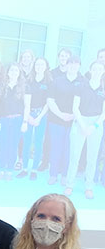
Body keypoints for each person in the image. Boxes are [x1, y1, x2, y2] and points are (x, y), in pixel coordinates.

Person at [46, 56, 82, 191]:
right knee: (56, 148)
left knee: (69, 150)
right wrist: (61, 115)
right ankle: (53, 174)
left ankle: (64, 175)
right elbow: (50, 100)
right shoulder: (57, 81)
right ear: (66, 65)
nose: (73, 66)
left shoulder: (82, 82)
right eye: (71, 64)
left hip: (74, 122)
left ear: (79, 66)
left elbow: (82, 104)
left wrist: (73, 116)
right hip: (56, 120)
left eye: (76, 64)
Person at [71, 60, 105, 199]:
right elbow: (75, 108)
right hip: (80, 121)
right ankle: (69, 184)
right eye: (95, 69)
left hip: (96, 124)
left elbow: (104, 112)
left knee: (92, 157)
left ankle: (88, 186)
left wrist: (94, 126)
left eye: (100, 69)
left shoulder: (103, 88)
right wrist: (83, 125)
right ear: (90, 70)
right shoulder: (81, 86)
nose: (97, 71)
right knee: (74, 155)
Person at [0, 63, 30, 183]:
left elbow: (27, 106)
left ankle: (9, 170)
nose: (14, 72)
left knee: (13, 146)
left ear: (19, 73)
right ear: (8, 72)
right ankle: (1, 169)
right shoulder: (1, 86)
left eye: (16, 71)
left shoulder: (25, 87)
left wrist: (25, 122)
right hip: (3, 120)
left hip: (17, 121)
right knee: (2, 145)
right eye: (12, 70)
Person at [21, 58, 52, 181]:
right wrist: (28, 116)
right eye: (37, 64)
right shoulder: (29, 81)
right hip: (29, 113)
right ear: (34, 66)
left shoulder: (49, 83)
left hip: (42, 115)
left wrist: (39, 117)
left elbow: (48, 103)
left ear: (46, 67)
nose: (39, 67)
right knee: (26, 142)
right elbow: (26, 102)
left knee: (38, 143)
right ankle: (24, 168)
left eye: (42, 64)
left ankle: (34, 170)